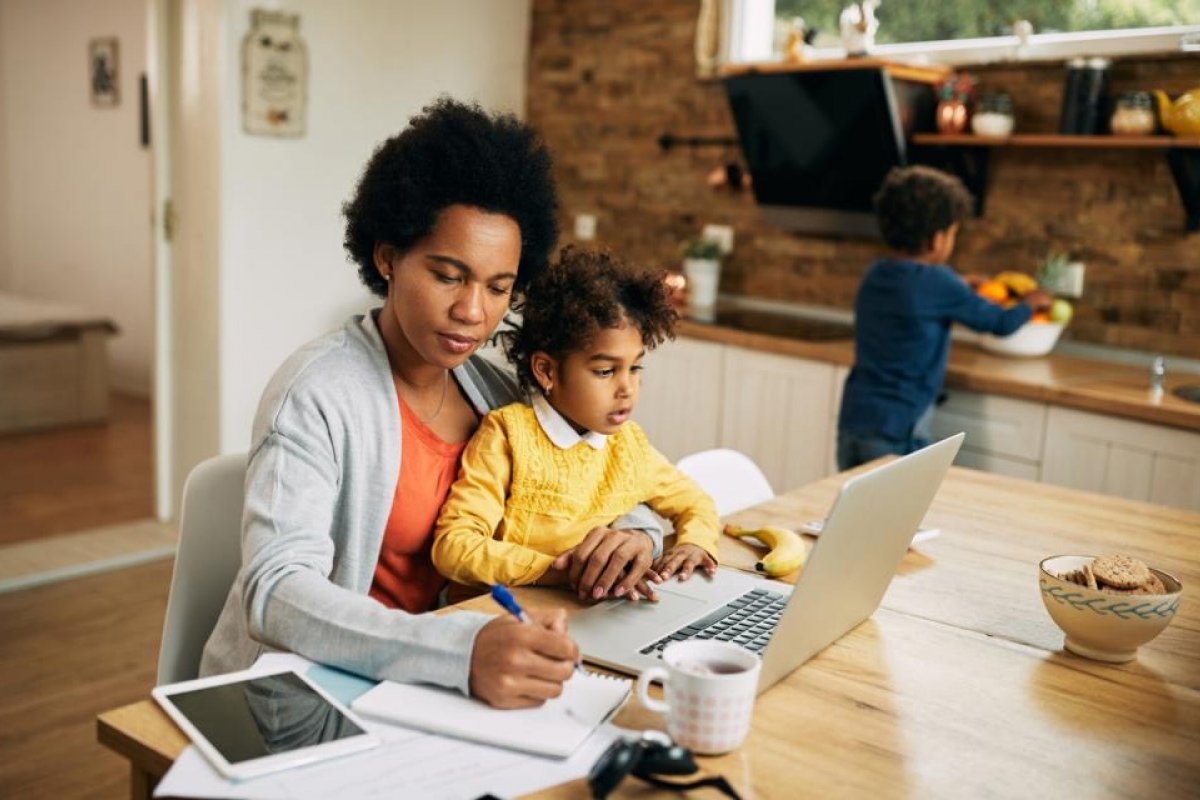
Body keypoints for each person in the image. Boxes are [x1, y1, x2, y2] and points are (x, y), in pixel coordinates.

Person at [200, 98, 666, 709]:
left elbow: (607, 473)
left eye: (499, 287)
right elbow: (277, 590)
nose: (473, 312)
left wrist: (635, 535)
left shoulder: (497, 393)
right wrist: (457, 651)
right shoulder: (316, 393)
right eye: (449, 275)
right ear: (388, 256)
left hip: (447, 688)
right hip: (311, 696)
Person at [431, 247, 721, 600]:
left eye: (635, 368)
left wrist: (695, 543)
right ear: (547, 371)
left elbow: (696, 502)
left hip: (580, 611)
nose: (627, 388)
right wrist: (564, 570)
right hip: (497, 616)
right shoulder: (508, 434)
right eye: (605, 371)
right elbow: (454, 547)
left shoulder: (629, 447)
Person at [837, 165, 1051, 470]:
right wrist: (1030, 303)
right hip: (900, 429)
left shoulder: (876, 273)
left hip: (854, 421)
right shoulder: (940, 283)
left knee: (855, 512)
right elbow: (1000, 324)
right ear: (938, 240)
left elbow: (915, 292)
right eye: (953, 233)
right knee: (898, 514)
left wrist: (960, 285)